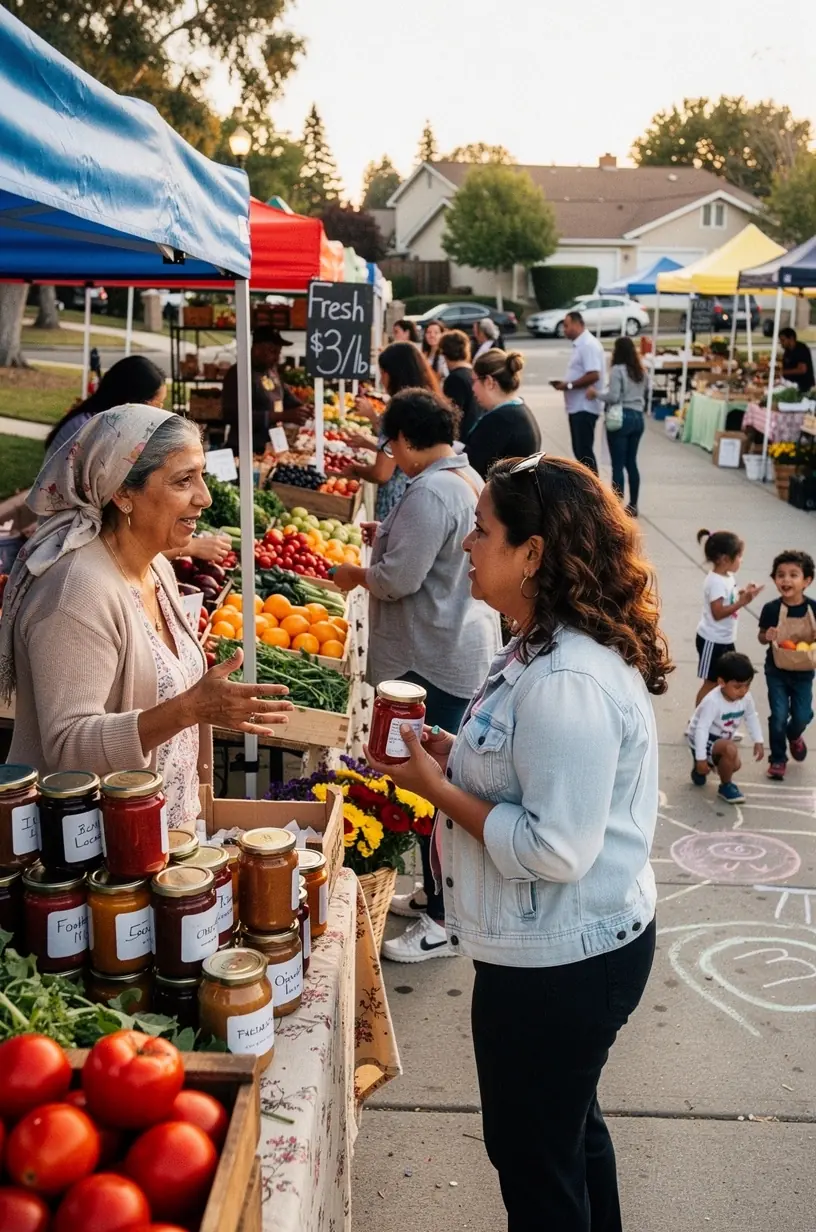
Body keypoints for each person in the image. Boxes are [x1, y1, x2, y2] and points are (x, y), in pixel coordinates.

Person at [365, 454, 670, 1230]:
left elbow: (554, 849)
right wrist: (453, 754)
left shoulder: (569, 679)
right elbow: (526, 770)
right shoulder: (538, 643)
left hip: (564, 965)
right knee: (565, 1137)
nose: (468, 545)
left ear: (532, 554)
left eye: (482, 530)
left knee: (534, 1157)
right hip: (561, 952)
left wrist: (437, 789)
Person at [0, 406, 293, 829]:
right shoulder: (75, 595)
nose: (205, 497)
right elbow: (68, 748)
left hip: (167, 834)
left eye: (201, 476)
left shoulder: (156, 568)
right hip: (103, 845)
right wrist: (188, 708)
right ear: (123, 493)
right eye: (183, 480)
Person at [330, 388, 501, 962]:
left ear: (404, 439)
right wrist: (388, 539)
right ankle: (435, 894)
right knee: (435, 780)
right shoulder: (463, 477)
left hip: (433, 653)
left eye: (390, 445)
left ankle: (444, 921)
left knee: (431, 785)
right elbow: (435, 555)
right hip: (453, 643)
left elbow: (398, 580)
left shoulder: (432, 491)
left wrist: (356, 572)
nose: (392, 456)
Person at [346, 342, 441, 520]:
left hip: (396, 503)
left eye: (382, 373)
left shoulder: (397, 411)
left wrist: (355, 469)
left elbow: (381, 473)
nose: (381, 380)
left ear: (392, 374)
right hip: (422, 494)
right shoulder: (429, 402)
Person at [758, 549, 816, 781]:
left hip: (804, 672)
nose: (786, 580)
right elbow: (761, 636)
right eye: (780, 575)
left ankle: (794, 735)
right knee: (779, 715)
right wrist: (767, 636)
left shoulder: (813, 609)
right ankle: (778, 758)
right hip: (777, 671)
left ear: (807, 581)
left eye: (793, 575)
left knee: (802, 715)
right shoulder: (771, 609)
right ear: (774, 579)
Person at [45, 356, 168, 458]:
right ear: (134, 401)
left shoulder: (105, 421)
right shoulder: (92, 429)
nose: (159, 411)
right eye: (157, 404)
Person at [695, 528, 763, 705]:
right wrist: (742, 602)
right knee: (711, 682)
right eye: (739, 556)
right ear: (725, 559)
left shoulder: (728, 577)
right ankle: (697, 719)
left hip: (725, 638)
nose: (741, 560)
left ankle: (716, 717)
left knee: (725, 679)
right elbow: (717, 613)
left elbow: (728, 600)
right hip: (712, 640)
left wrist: (744, 594)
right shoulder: (715, 581)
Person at [686, 651, 764, 804]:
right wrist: (700, 758)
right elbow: (701, 729)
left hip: (721, 736)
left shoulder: (746, 698)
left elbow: (751, 716)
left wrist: (758, 740)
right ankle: (725, 786)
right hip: (703, 737)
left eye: (747, 685)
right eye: (738, 687)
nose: (743, 691)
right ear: (721, 682)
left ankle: (705, 767)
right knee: (730, 750)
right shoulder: (712, 701)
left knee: (735, 765)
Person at [222, 326, 309, 455]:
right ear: (257, 349)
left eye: (279, 352)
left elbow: (285, 395)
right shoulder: (238, 373)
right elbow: (232, 415)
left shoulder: (271, 370)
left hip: (273, 445)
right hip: (246, 449)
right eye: (273, 351)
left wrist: (302, 408)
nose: (277, 358)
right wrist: (282, 416)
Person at [587, 335, 647, 516]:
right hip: (638, 417)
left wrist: (596, 394)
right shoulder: (641, 372)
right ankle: (634, 504)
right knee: (631, 462)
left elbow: (613, 396)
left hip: (621, 418)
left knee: (618, 465)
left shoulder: (617, 370)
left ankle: (616, 507)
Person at [465, 350, 540, 479]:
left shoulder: (498, 420)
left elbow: (472, 470)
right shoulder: (518, 410)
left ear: (489, 382)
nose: (473, 388)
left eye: (474, 381)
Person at [552, 311, 606, 474]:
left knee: (584, 453)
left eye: (567, 326)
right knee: (580, 451)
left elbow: (594, 374)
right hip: (576, 406)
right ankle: (588, 485)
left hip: (585, 406)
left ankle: (593, 487)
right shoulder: (580, 345)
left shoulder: (588, 345)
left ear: (577, 324)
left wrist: (569, 385)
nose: (564, 330)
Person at [440, 330, 480, 439]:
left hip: (462, 439)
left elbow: (452, 416)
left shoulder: (455, 379)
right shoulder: (473, 373)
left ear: (444, 353)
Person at [779, 328, 815, 393]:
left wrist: (782, 372)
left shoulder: (801, 349)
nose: (781, 343)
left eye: (783, 340)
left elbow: (802, 370)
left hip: (803, 387)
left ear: (791, 338)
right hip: (791, 385)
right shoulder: (788, 350)